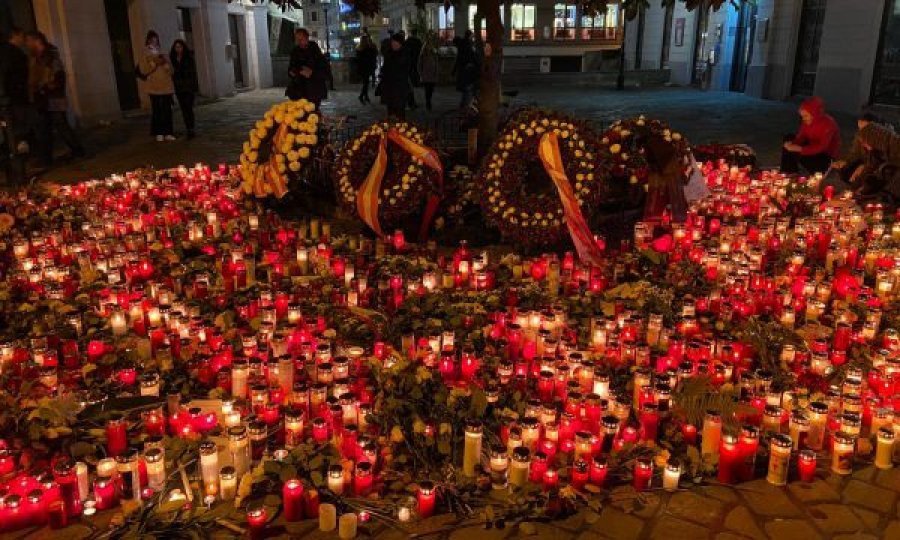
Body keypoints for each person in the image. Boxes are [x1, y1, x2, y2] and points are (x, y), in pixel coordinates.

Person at [25, 31, 85, 166]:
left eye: (29, 41)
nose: (27, 44)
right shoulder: (37, 57)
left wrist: (46, 84)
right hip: (43, 97)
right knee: (45, 127)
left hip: (54, 96)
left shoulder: (50, 55)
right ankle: (47, 157)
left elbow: (57, 76)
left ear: (37, 40)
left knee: (60, 124)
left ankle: (77, 150)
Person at [831, 118, 900, 206]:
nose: (864, 146)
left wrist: (886, 194)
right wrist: (852, 189)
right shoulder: (878, 150)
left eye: (865, 142)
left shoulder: (896, 146)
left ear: (875, 140)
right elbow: (870, 168)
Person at [781, 96, 841, 175]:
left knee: (801, 154)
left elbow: (822, 147)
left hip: (824, 156)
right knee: (789, 138)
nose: (803, 119)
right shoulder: (807, 121)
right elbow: (801, 136)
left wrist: (800, 149)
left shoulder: (828, 124)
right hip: (811, 148)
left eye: (805, 116)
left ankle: (821, 170)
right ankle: (789, 171)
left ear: (814, 114)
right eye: (802, 116)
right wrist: (792, 143)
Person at [0, 27, 30, 182]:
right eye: (22, 36)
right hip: (13, 101)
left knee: (8, 138)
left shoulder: (6, 52)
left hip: (8, 101)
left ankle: (13, 173)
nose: (24, 40)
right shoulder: (13, 53)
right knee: (17, 136)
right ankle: (18, 174)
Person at [137, 31, 175, 142]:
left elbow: (172, 71)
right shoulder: (145, 53)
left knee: (167, 110)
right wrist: (154, 64)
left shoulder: (162, 52)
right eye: (151, 39)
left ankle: (168, 132)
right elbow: (143, 70)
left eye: (156, 39)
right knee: (157, 110)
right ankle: (159, 132)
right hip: (154, 86)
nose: (154, 41)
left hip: (166, 86)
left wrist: (166, 64)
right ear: (148, 40)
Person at [286, 28, 328, 109]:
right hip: (298, 90)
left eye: (301, 39)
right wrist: (293, 72)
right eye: (297, 39)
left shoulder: (315, 51)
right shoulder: (295, 51)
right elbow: (291, 68)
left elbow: (324, 71)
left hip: (313, 90)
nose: (299, 42)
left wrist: (312, 72)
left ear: (307, 38)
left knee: (312, 113)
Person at [170, 39, 198, 139]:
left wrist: (192, 87)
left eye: (180, 47)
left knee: (188, 108)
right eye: (176, 47)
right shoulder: (173, 59)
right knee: (183, 109)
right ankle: (188, 128)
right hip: (179, 87)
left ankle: (191, 128)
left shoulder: (188, 58)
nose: (178, 49)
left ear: (183, 47)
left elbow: (192, 73)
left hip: (188, 87)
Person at [380, 33, 410, 119]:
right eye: (392, 43)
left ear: (400, 44)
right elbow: (385, 68)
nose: (393, 45)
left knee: (400, 112)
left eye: (395, 43)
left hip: (399, 87)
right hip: (389, 87)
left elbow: (403, 69)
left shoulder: (404, 54)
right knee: (390, 112)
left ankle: (401, 129)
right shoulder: (389, 53)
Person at [452, 32, 478, 110]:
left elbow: (459, 60)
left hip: (467, 71)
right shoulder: (468, 45)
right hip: (469, 70)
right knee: (468, 89)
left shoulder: (464, 46)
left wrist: (454, 71)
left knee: (467, 89)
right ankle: (466, 105)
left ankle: (466, 105)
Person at [417, 37, 439, 111]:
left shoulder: (434, 54)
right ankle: (428, 102)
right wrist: (421, 73)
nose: (429, 47)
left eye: (430, 45)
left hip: (432, 74)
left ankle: (429, 100)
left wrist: (436, 72)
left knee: (431, 89)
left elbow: (436, 63)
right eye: (427, 45)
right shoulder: (423, 55)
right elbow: (419, 65)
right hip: (426, 75)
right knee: (427, 89)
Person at [355, 34, 377, 104]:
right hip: (367, 68)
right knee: (366, 83)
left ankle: (365, 96)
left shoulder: (359, 48)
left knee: (366, 82)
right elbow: (373, 55)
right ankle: (362, 96)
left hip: (362, 68)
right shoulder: (368, 48)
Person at [404, 29, 422, 109]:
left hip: (408, 65)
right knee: (410, 85)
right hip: (414, 64)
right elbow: (420, 53)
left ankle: (410, 102)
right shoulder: (418, 41)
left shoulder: (407, 42)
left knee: (409, 85)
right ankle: (411, 103)